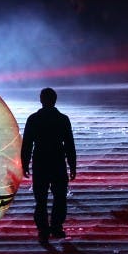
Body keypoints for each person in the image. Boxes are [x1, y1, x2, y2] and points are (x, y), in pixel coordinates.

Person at [21, 87, 76, 244]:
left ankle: (43, 229)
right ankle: (57, 227)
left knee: (41, 199)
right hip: (58, 162)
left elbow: (27, 144)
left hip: (40, 162)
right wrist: (72, 165)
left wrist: (25, 164)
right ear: (55, 100)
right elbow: (69, 144)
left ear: (41, 100)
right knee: (59, 197)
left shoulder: (33, 119)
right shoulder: (63, 119)